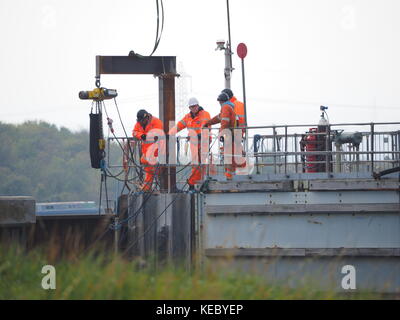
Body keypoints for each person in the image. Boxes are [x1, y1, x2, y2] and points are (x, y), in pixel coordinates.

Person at [169, 97, 211, 191]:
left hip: (203, 142)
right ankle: (193, 184)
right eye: (191, 107)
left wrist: (200, 134)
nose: (193, 108)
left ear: (198, 105)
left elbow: (206, 126)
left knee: (202, 164)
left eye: (195, 106)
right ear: (189, 108)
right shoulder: (187, 117)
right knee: (195, 164)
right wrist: (170, 133)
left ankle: (201, 183)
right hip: (194, 143)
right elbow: (180, 125)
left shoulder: (205, 114)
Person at [204, 92, 239, 180]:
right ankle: (230, 175)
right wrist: (208, 122)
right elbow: (218, 118)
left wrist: (221, 133)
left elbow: (224, 121)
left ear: (221, 101)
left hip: (229, 135)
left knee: (228, 155)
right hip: (231, 135)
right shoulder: (228, 107)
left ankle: (229, 177)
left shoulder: (225, 107)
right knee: (229, 155)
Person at [132, 109, 164, 191]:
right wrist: (141, 135)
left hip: (155, 152)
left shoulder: (156, 122)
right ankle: (147, 189)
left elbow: (157, 134)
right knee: (148, 170)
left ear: (146, 118)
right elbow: (134, 132)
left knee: (153, 170)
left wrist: (146, 136)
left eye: (142, 121)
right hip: (146, 152)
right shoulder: (139, 123)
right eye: (139, 121)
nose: (140, 123)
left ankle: (159, 186)